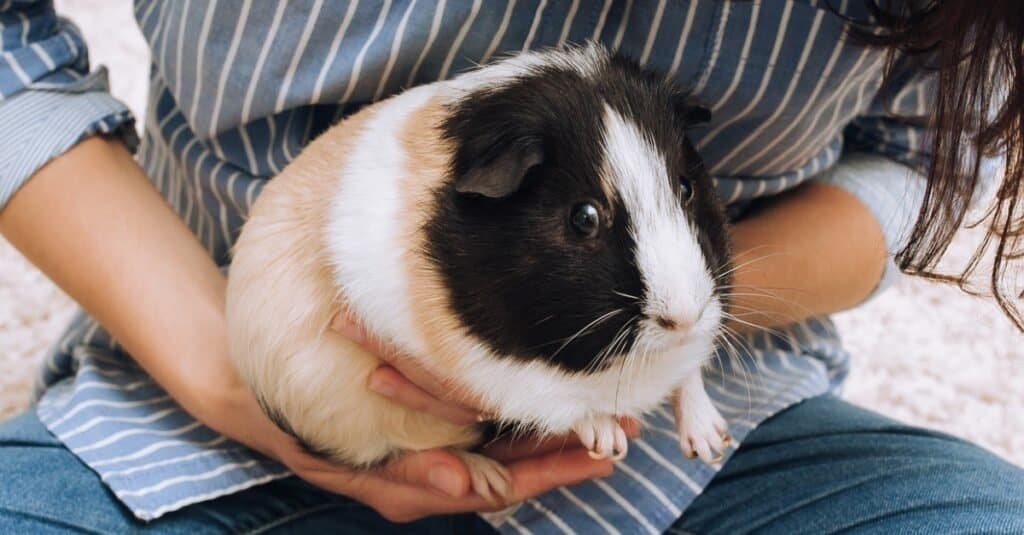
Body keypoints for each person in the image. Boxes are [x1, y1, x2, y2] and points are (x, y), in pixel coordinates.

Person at [0, 0, 1021, 533]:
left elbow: (921, 153)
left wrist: (685, 332)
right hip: (206, 431)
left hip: (709, 468)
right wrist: (240, 375)